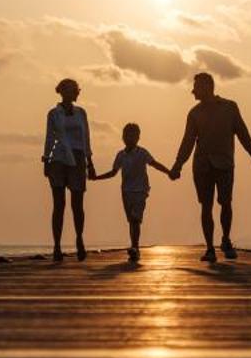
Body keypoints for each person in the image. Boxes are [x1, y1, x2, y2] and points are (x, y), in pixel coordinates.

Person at [170, 71, 251, 263]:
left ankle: (226, 240)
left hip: (224, 164)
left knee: (226, 203)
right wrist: (177, 166)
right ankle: (210, 248)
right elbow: (187, 142)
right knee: (206, 206)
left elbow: (243, 135)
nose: (192, 91)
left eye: (195, 87)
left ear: (207, 87)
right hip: (202, 166)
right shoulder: (194, 113)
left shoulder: (230, 108)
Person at [92, 122, 171, 264]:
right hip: (126, 191)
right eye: (127, 135)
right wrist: (96, 178)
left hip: (141, 190)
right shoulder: (120, 155)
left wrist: (169, 172)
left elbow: (154, 164)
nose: (129, 138)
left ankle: (135, 247)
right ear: (123, 137)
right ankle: (135, 248)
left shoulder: (142, 153)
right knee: (132, 221)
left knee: (135, 219)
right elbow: (113, 172)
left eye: (133, 135)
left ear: (138, 137)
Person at [42, 77, 91, 262]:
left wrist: (89, 161)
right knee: (59, 204)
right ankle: (57, 246)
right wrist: (46, 160)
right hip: (58, 159)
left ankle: (79, 240)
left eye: (75, 90)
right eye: (70, 90)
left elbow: (86, 137)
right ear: (62, 92)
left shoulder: (81, 113)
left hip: (78, 159)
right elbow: (49, 138)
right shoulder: (54, 114)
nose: (74, 93)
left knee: (77, 205)